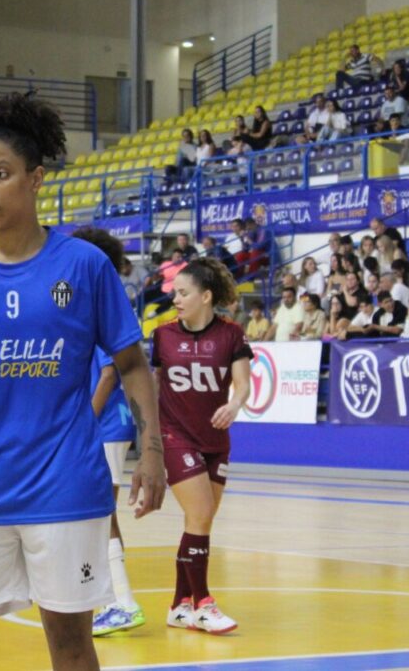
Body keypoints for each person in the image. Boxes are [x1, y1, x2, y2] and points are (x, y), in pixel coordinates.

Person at [0, 92, 165, 671]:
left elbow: (131, 366)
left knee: (72, 649)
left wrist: (152, 452)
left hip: (66, 487)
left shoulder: (83, 266)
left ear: (36, 178)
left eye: (1, 174)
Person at [151, 259, 252, 635]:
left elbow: (242, 384)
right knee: (201, 513)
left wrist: (235, 403)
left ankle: (179, 605)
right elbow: (152, 385)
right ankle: (204, 604)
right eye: (174, 293)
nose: (175, 299)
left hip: (215, 440)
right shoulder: (162, 336)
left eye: (182, 293)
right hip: (176, 436)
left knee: (200, 521)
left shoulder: (231, 335)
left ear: (206, 296)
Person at [70, 227, 145, 636]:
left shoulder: (100, 304)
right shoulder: (90, 300)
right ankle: (113, 600)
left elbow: (108, 374)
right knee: (99, 516)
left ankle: (122, 601)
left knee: (102, 516)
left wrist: (81, 421)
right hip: (102, 427)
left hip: (105, 426)